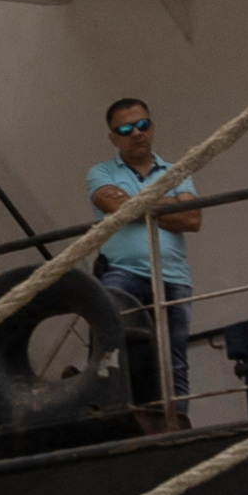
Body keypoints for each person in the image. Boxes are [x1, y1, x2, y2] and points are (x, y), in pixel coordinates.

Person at [82, 99, 204, 430]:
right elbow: (112, 204)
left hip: (173, 278)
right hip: (123, 274)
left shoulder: (177, 170)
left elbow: (192, 218)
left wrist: (136, 204)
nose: (137, 133)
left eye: (143, 125)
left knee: (174, 359)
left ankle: (174, 425)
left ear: (152, 126)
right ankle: (114, 420)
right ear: (113, 138)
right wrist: (167, 205)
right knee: (112, 350)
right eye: (125, 129)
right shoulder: (101, 172)